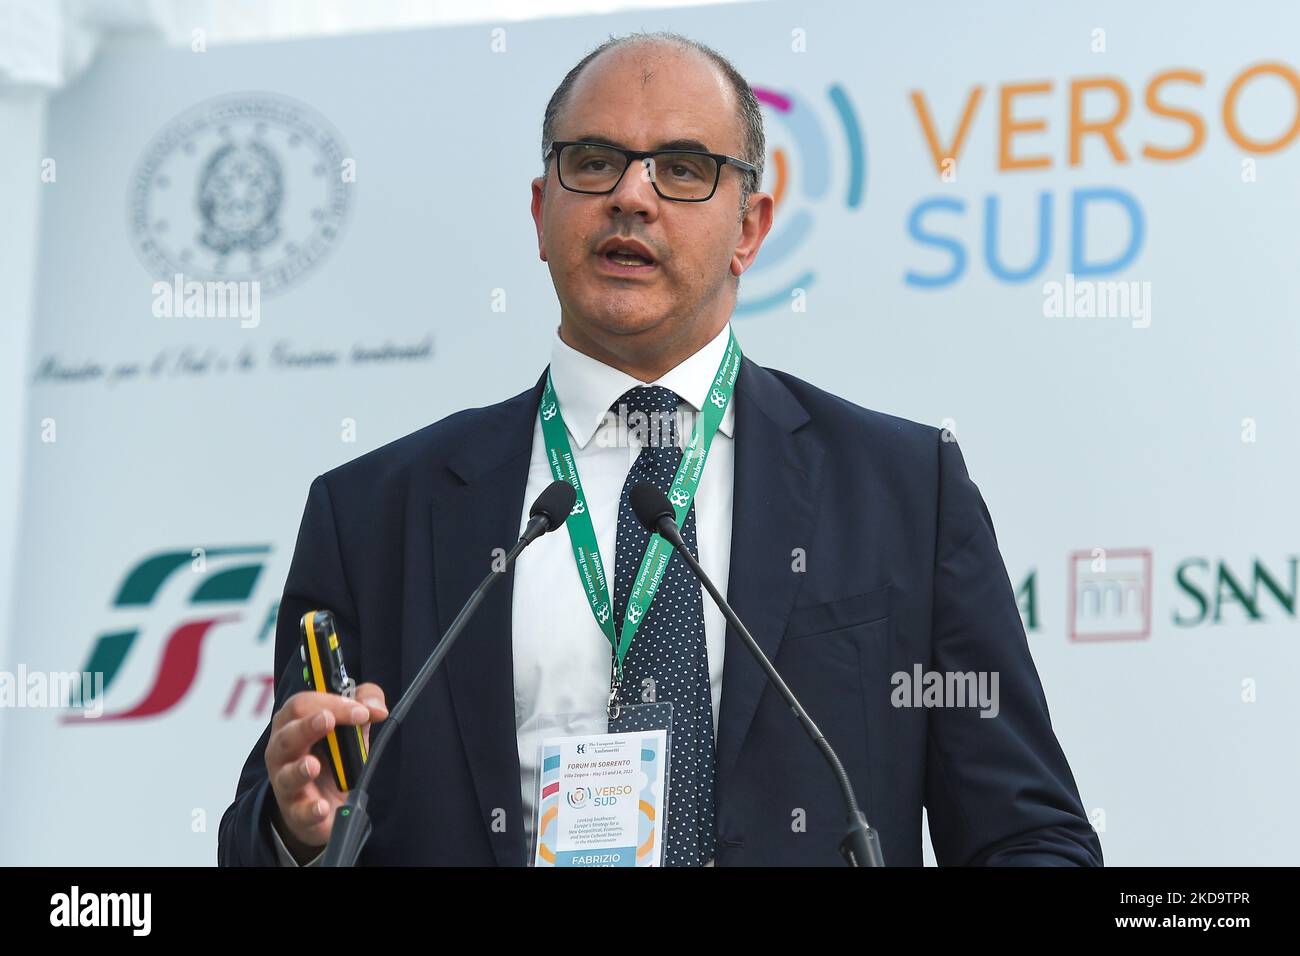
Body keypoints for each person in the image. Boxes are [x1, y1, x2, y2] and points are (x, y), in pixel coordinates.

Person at [218, 31, 1102, 867]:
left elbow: (1028, 833)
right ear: (540, 210)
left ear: (750, 228)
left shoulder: (904, 491)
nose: (631, 196)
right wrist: (298, 833)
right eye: (594, 161)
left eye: (682, 169)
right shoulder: (374, 512)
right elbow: (270, 825)